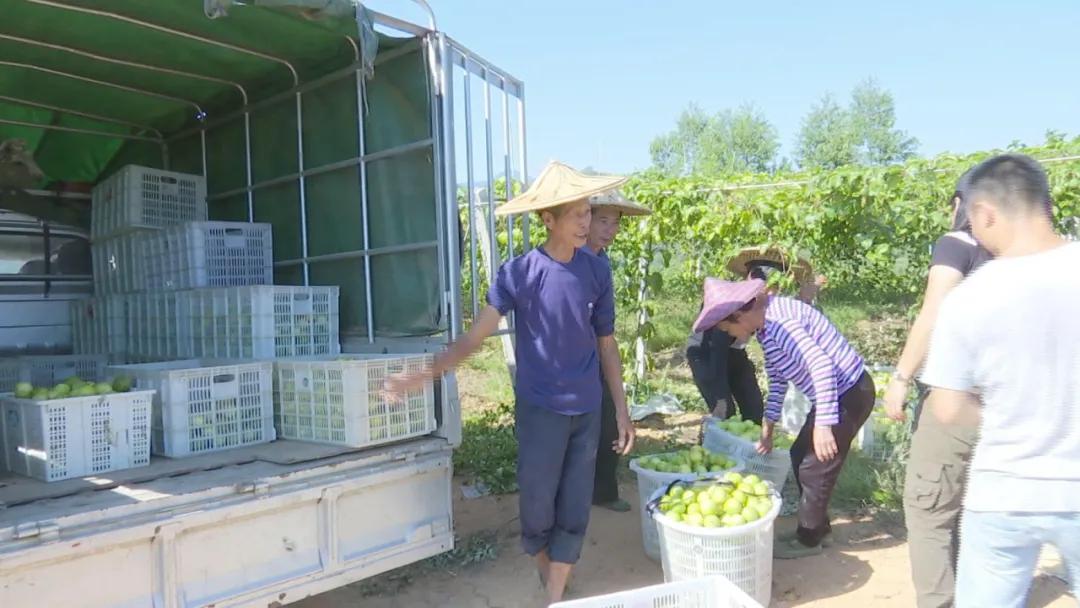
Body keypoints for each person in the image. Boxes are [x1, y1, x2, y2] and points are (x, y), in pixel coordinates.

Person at [385, 160, 635, 605]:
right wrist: (426, 373)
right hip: (540, 407)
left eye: (587, 212)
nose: (586, 223)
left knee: (575, 504)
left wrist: (621, 408)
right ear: (548, 219)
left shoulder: (597, 272)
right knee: (538, 503)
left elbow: (608, 344)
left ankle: (556, 592)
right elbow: (476, 336)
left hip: (587, 406)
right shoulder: (519, 273)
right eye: (576, 214)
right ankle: (547, 566)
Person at [920, 154, 1080, 607]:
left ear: (985, 213)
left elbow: (947, 407)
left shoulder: (970, 298)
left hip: (1003, 491)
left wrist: (1007, 416)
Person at [695, 276, 873, 558]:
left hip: (848, 394)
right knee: (800, 452)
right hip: (835, 395)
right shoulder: (766, 329)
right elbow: (778, 379)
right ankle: (817, 528)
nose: (731, 335)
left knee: (814, 465)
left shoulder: (781, 326)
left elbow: (822, 366)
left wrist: (824, 424)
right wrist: (768, 427)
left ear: (740, 314)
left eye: (728, 328)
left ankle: (809, 539)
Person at [883, 168, 992, 608]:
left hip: (955, 400)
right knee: (973, 504)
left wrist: (900, 378)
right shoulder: (1018, 258)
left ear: (963, 204)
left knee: (928, 511)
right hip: (1002, 401)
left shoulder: (958, 245)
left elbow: (933, 314)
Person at [687, 247, 825, 423]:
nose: (772, 293)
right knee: (725, 412)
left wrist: (806, 297)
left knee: (754, 409)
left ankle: (748, 447)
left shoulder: (764, 304)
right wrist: (720, 399)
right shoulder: (729, 305)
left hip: (736, 354)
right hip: (707, 356)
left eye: (776, 287)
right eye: (768, 287)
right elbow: (717, 353)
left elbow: (788, 318)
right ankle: (714, 444)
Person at [584, 189, 651, 514]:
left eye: (615, 223)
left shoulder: (602, 260)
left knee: (610, 420)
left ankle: (603, 490)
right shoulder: (571, 257)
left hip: (597, 351)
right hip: (571, 357)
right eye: (603, 221)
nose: (610, 230)